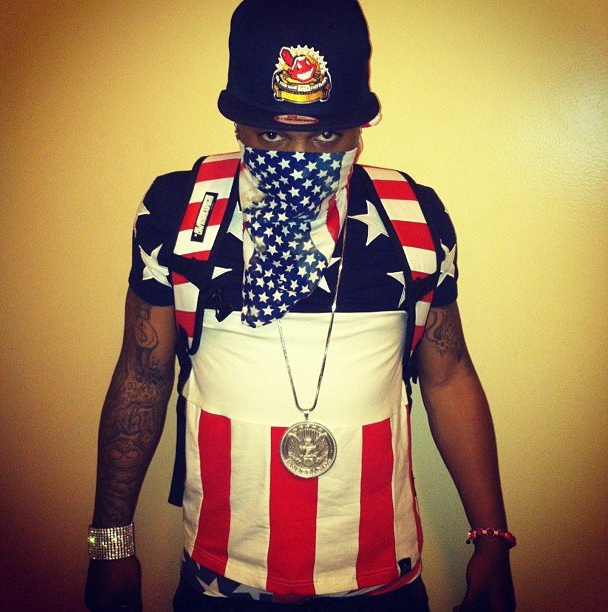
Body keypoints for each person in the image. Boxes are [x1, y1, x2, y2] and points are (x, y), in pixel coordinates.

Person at [85, 1, 516, 610]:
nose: (299, 157)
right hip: (220, 580)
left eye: (326, 135)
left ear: (359, 128)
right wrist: (111, 543)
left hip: (380, 580)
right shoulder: (179, 212)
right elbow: (142, 374)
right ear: (238, 125)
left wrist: (491, 539)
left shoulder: (412, 217)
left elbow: (448, 376)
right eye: (272, 134)